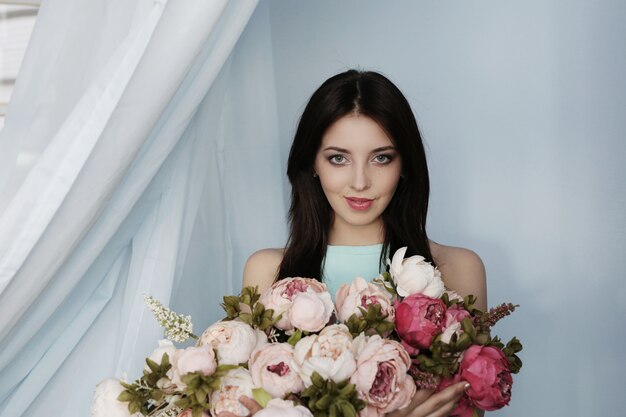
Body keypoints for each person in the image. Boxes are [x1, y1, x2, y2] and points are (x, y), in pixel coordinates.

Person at [242, 70, 487, 417]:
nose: (360, 182)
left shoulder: (459, 269)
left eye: (381, 157)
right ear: (312, 162)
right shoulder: (267, 272)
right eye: (338, 158)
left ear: (404, 165)